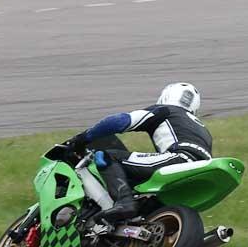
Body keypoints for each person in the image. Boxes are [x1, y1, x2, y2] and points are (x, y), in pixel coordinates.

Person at [66, 83, 211, 222]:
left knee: (106, 156)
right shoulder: (201, 127)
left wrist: (82, 138)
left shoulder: (165, 110)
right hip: (201, 166)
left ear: (166, 95)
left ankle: (124, 203)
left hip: (178, 159)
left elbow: (120, 121)